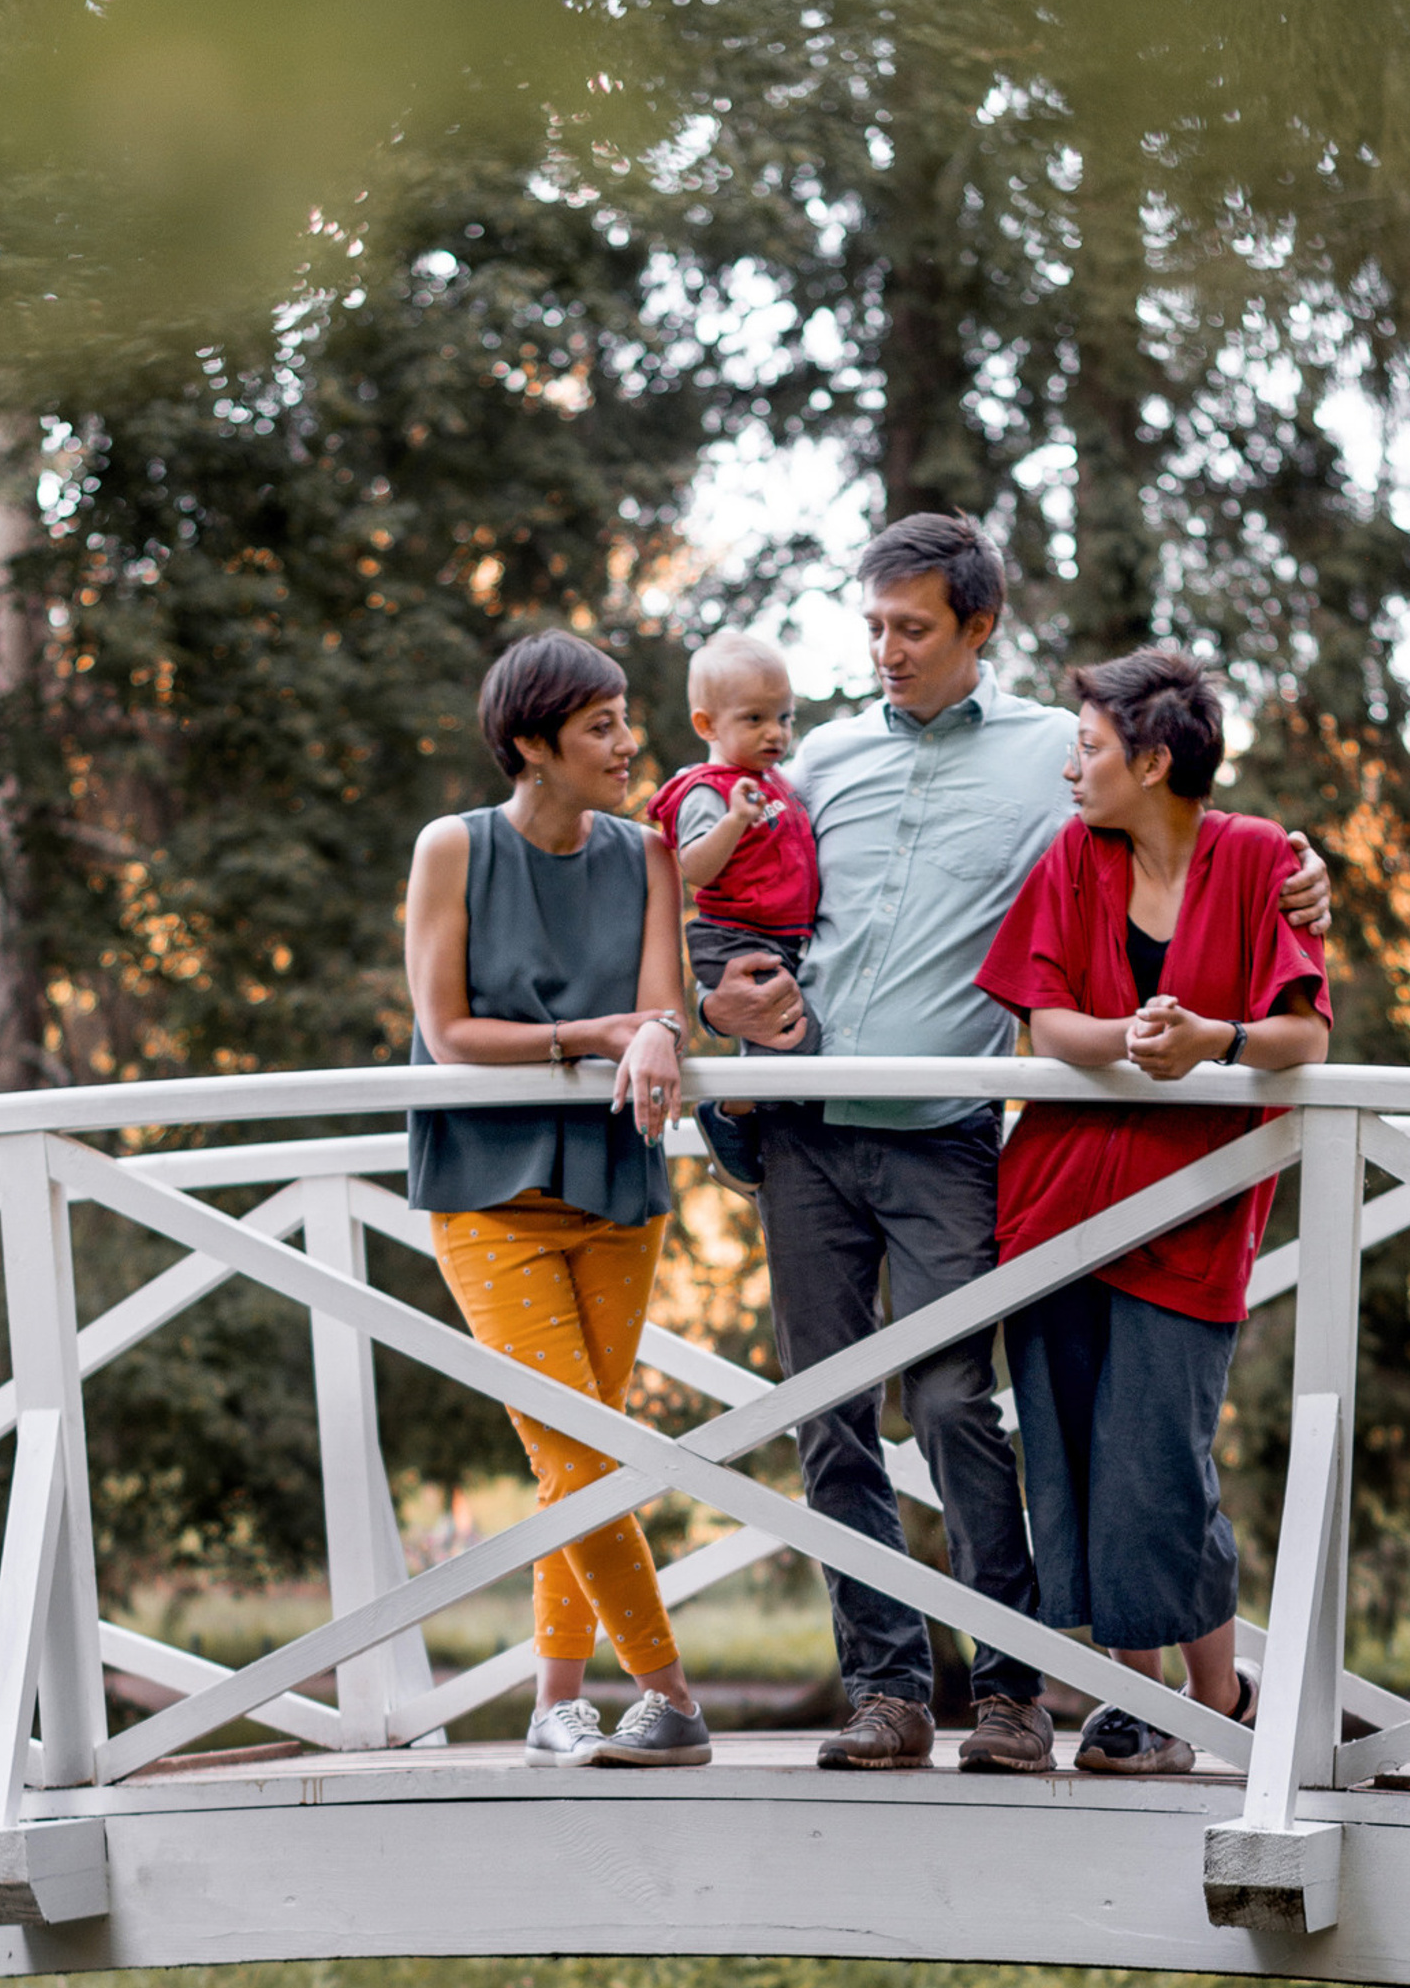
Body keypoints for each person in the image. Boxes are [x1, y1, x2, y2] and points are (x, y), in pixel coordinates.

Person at [697, 513, 1333, 1775]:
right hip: (806, 1135)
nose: (885, 651)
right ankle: (885, 1693)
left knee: (952, 1403)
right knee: (828, 1419)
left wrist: (1302, 869)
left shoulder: (1058, 753)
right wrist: (718, 1007)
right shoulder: (817, 759)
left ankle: (1008, 1691)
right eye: (874, 627)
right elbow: (726, 885)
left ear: (977, 627)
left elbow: (1190, 817)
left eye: (912, 628)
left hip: (944, 1141)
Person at [976, 649, 1331, 1774]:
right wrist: (1132, 1042)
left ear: (1153, 761)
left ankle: (1215, 1699)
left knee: (1159, 1466)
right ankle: (1133, 1704)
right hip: (1055, 1206)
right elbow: (1043, 1021)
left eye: (1087, 749)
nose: (1071, 769)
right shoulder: (1072, 857)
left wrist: (1215, 1040)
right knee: (1072, 1461)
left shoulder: (1262, 857)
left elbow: (1303, 1035)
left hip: (1195, 1212)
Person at [404, 629, 713, 1771]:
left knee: (573, 1457)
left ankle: (555, 1705)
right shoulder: (454, 847)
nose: (628, 743)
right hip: (486, 1186)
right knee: (581, 1453)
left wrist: (659, 1030)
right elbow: (448, 1034)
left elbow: (661, 1007)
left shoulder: (649, 855)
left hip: (617, 1181)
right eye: (600, 726)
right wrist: (594, 1035)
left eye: (624, 718)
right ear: (533, 745)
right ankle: (671, 1697)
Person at [643, 632, 823, 1186]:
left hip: (778, 934)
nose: (776, 733)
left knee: (791, 1037)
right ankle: (727, 1115)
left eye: (785, 718)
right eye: (755, 719)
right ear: (706, 725)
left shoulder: (773, 783)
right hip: (735, 936)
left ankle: (757, 1125)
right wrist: (735, 820)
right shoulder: (708, 792)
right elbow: (695, 866)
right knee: (794, 1035)